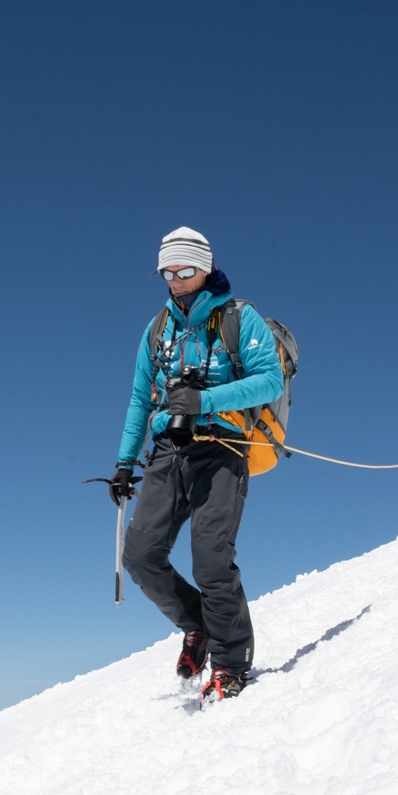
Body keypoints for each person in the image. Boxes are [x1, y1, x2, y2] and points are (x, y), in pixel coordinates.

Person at [106, 227, 284, 703]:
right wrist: (125, 462)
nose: (176, 280)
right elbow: (140, 400)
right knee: (141, 557)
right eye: (167, 271)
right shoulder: (157, 329)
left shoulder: (238, 318)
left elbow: (270, 382)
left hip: (222, 448)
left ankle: (229, 664)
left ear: (205, 267)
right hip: (167, 452)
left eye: (185, 270)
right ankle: (197, 626)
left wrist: (204, 398)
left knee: (210, 560)